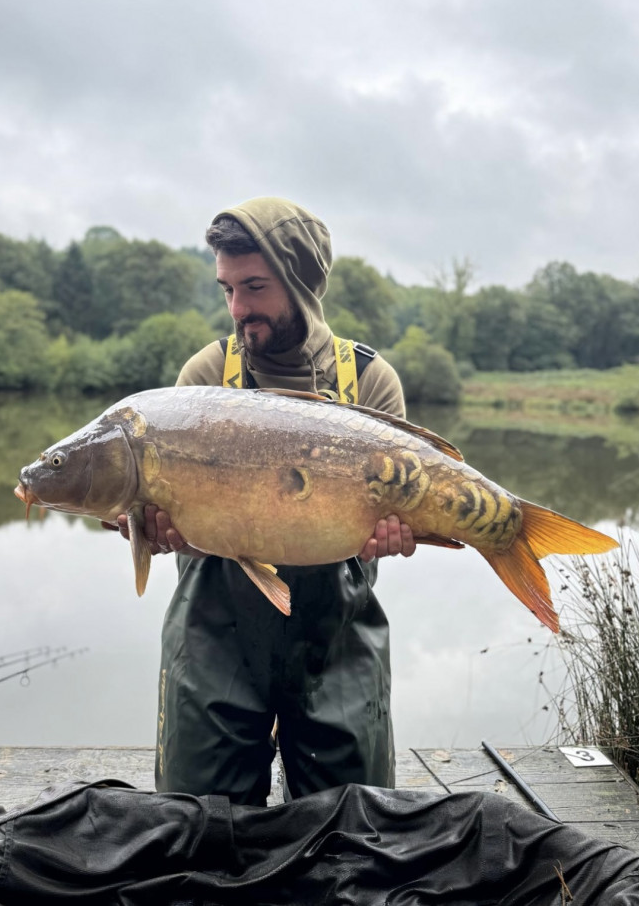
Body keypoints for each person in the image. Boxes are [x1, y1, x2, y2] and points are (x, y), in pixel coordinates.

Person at [113, 197, 418, 805]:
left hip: (336, 637)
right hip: (215, 635)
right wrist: (152, 529)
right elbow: (163, 504)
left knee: (355, 827)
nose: (237, 309)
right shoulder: (204, 376)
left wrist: (397, 534)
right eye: (227, 289)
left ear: (301, 284)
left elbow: (402, 515)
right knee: (198, 825)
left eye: (254, 287)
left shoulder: (369, 381)